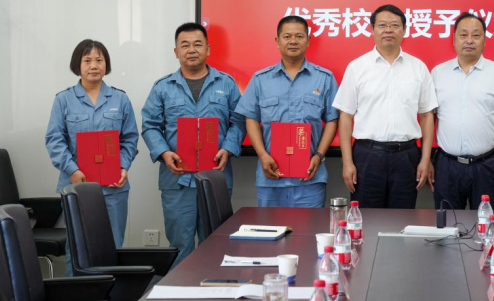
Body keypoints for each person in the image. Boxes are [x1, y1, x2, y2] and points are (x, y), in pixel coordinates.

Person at [141, 22, 245, 267]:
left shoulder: (226, 83)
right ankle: (180, 290)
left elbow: (239, 121)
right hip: (177, 180)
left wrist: (228, 148)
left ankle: (212, 290)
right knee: (180, 246)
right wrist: (164, 153)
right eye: (185, 45)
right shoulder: (163, 87)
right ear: (176, 51)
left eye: (198, 44)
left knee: (215, 244)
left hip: (215, 177)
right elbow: (150, 125)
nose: (191, 50)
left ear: (208, 49)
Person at [45, 39, 138, 275]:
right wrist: (72, 170)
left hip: (114, 187)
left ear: (106, 64)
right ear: (77, 65)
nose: (93, 65)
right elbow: (54, 140)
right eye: (87, 60)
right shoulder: (63, 99)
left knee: (113, 246)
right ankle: (76, 295)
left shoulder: (120, 99)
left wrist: (123, 167)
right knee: (77, 248)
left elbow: (129, 138)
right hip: (76, 186)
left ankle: (113, 296)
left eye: (99, 60)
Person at [333, 4, 438, 209]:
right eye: (382, 25)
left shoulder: (418, 68)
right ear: (372, 29)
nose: (388, 30)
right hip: (367, 155)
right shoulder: (357, 67)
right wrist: (347, 162)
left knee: (403, 217)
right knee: (366, 218)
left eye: (395, 25)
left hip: (406, 156)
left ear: (404, 30)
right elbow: (345, 116)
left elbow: (427, 116)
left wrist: (425, 159)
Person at [235, 15, 339, 207]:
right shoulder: (260, 79)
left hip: (310, 177)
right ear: (277, 41)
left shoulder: (324, 78)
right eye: (287, 36)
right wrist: (262, 155)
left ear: (308, 40)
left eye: (299, 36)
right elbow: (251, 119)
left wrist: (319, 155)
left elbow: (333, 120)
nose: (293, 41)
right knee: (269, 226)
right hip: (270, 177)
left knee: (309, 227)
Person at [431, 12, 494, 210]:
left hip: (487, 166)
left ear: (484, 40)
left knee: (486, 223)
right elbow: (429, 118)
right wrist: (426, 159)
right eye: (463, 35)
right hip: (447, 165)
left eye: (476, 35)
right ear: (454, 40)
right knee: (448, 223)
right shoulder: (438, 73)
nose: (469, 40)